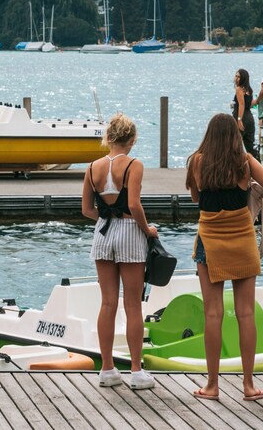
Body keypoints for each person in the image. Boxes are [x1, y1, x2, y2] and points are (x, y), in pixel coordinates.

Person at [185, 113, 263, 402]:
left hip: (210, 243)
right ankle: (248, 385)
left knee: (213, 314)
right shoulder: (245, 162)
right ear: (234, 136)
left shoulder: (196, 162)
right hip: (242, 241)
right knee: (245, 314)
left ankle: (213, 385)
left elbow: (195, 198)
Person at [81, 112, 157, 390]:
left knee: (108, 303)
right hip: (129, 233)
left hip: (103, 233)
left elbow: (87, 210)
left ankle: (107, 369)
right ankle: (136, 371)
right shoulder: (134, 165)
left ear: (109, 138)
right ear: (132, 139)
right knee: (133, 303)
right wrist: (147, 229)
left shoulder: (92, 167)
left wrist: (107, 217)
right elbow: (134, 205)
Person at [231, 69, 258, 158]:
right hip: (249, 118)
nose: (236, 78)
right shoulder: (248, 90)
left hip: (241, 117)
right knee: (250, 146)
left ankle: (237, 167)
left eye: (239, 77)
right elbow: (249, 104)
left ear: (243, 78)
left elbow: (241, 104)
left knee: (234, 145)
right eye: (236, 76)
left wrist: (239, 119)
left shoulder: (239, 89)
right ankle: (259, 166)